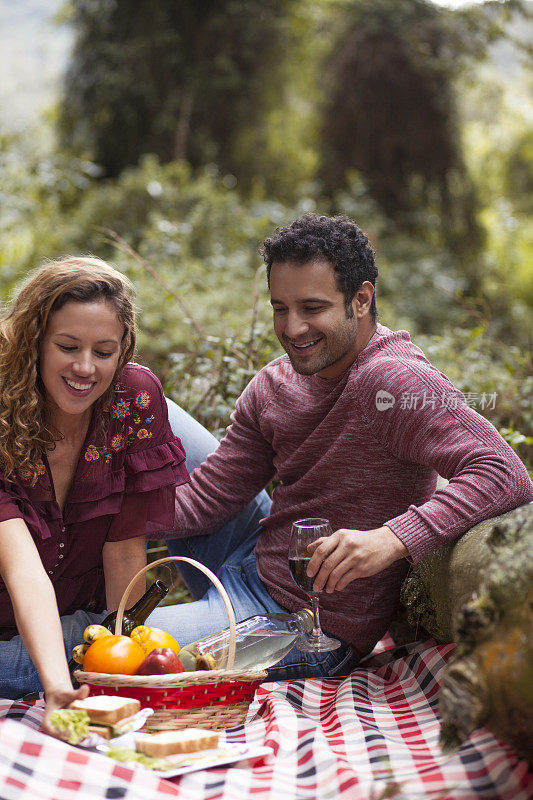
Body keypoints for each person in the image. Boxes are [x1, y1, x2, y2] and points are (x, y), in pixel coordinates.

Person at [154, 213, 533, 679]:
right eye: (280, 308)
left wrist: (391, 539)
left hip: (305, 624)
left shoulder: (390, 381)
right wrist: (109, 514)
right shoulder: (274, 383)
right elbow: (207, 501)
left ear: (361, 299)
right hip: (255, 558)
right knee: (141, 400)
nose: (292, 329)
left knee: (95, 644)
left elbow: (503, 471)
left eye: (312, 308)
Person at [0, 257, 188, 736]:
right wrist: (57, 688)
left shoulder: (133, 400)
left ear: (123, 349)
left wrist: (123, 664)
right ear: (33, 343)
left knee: (183, 650)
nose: (85, 368)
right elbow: (23, 571)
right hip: (12, 630)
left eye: (104, 352)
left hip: (77, 626)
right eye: (67, 346)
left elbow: (124, 550)